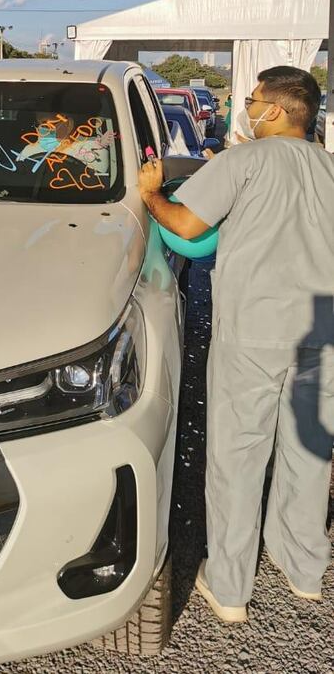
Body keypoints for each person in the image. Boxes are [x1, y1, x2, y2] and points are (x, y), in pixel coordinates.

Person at [137, 66, 334, 623]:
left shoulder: (242, 162)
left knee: (238, 457)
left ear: (273, 109)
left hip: (252, 331)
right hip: (322, 335)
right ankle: (304, 571)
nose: (244, 108)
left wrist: (151, 194)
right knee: (309, 455)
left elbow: (188, 226)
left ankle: (228, 587)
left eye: (250, 100)